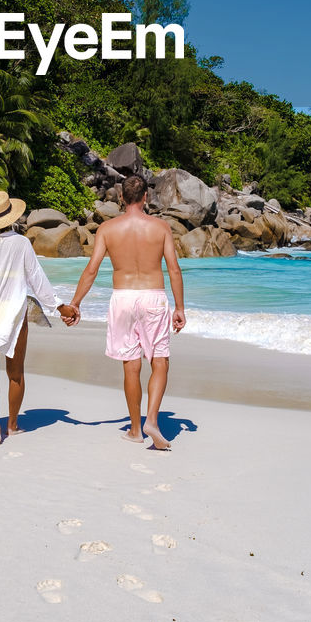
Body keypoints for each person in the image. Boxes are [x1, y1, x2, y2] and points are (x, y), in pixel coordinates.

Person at [65, 174, 185, 449]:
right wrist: (179, 307)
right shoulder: (161, 227)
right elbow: (174, 269)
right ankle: (151, 419)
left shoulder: (107, 229)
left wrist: (75, 303)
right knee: (160, 361)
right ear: (146, 197)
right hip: (153, 297)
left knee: (131, 366)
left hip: (122, 298)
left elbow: (92, 269)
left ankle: (135, 429)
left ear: (121, 198)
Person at [0, 189, 78, 445]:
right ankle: (12, 425)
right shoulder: (21, 244)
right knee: (15, 373)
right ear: (10, 216)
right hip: (11, 314)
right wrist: (60, 307)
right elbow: (37, 280)